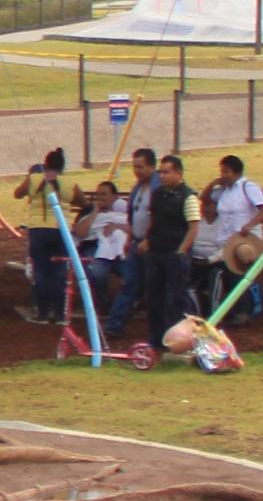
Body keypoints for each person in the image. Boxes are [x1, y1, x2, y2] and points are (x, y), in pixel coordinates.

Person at [194, 154, 263, 318]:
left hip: (244, 241)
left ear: (236, 172)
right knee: (230, 273)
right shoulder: (224, 190)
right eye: (221, 171)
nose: (223, 175)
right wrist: (214, 183)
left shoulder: (248, 187)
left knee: (235, 273)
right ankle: (238, 309)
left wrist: (250, 225)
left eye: (226, 172)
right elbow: (204, 198)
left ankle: (241, 310)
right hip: (226, 240)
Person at [138, 155, 200, 353]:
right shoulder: (157, 195)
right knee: (154, 297)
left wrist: (182, 251)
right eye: (161, 172)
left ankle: (180, 342)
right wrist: (148, 241)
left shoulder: (188, 197)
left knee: (177, 299)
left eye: (167, 172)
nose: (162, 176)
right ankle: (157, 340)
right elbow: (154, 222)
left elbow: (193, 227)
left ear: (178, 173)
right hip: (156, 253)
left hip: (175, 254)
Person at [13, 148, 70, 325]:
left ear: (46, 164)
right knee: (60, 273)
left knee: (40, 271)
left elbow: (17, 193)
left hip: (38, 230)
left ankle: (43, 314)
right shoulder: (68, 183)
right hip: (60, 230)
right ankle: (60, 316)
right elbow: (82, 201)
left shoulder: (34, 179)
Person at [110, 148, 160, 334]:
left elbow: (158, 217)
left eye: (141, 167)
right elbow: (133, 215)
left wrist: (148, 240)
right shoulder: (138, 188)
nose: (137, 171)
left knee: (154, 287)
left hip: (152, 245)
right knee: (129, 284)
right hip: (136, 243)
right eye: (135, 167)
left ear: (152, 167)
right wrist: (129, 238)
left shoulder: (157, 188)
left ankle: (158, 330)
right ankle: (115, 325)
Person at [75, 181, 130, 329]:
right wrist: (95, 212)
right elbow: (80, 233)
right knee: (97, 272)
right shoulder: (88, 212)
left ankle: (125, 305)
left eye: (104, 194)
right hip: (94, 247)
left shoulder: (122, 213)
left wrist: (117, 226)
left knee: (132, 273)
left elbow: (133, 228)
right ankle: (102, 302)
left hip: (119, 249)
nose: (100, 197)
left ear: (114, 197)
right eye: (97, 194)